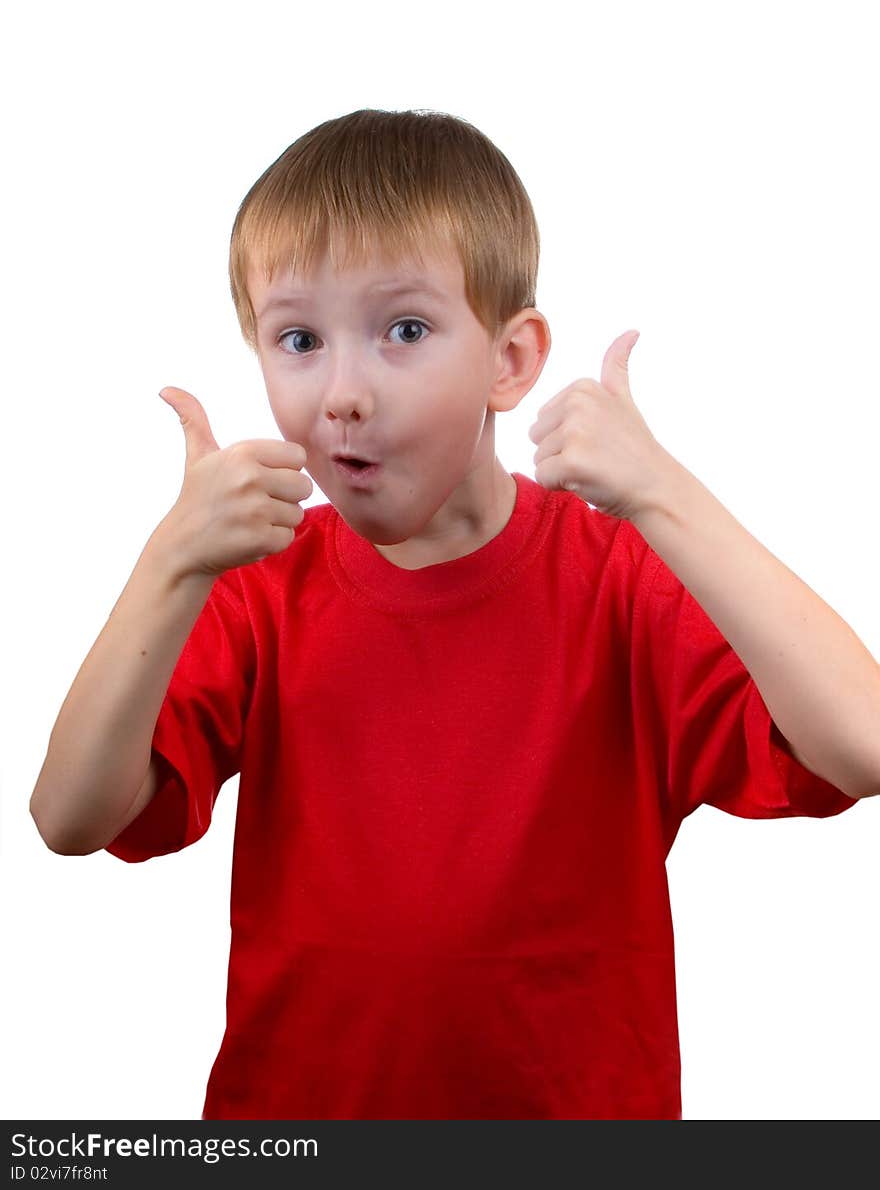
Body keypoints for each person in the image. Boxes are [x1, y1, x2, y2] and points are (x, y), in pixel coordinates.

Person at [29, 108, 877, 1120]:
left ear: (510, 362)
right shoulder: (256, 584)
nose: (342, 392)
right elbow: (69, 818)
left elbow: (861, 744)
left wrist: (663, 492)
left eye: (404, 330)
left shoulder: (617, 579)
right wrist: (167, 565)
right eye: (298, 338)